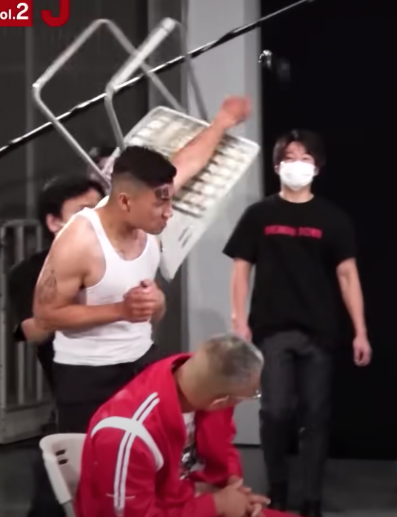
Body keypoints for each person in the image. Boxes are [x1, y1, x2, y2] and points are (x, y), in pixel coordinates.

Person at [32, 95, 251, 434]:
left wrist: (223, 120)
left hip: (143, 362)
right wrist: (121, 310)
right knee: (94, 462)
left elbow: (189, 161)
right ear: (125, 201)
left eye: (169, 200)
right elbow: (45, 315)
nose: (169, 212)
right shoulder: (79, 241)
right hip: (88, 374)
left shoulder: (149, 205)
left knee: (150, 455)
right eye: (160, 205)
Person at [224, 129, 372, 517]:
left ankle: (311, 500)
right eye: (290, 158)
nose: (297, 165)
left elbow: (348, 275)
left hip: (319, 331)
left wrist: (361, 331)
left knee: (316, 417)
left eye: (305, 159)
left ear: (317, 167)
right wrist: (239, 319)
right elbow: (241, 268)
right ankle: (278, 489)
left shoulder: (333, 218)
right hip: (272, 329)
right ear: (277, 166)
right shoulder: (259, 215)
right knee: (275, 412)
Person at [76, 333, 289, 517]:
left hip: (188, 499)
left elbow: (222, 446)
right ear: (220, 402)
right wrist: (217, 505)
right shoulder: (127, 436)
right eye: (252, 395)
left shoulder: (198, 379)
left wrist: (232, 485)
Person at [8, 175, 105, 395]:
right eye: (84, 212)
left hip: (132, 374)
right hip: (74, 384)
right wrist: (70, 303)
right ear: (54, 222)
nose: (97, 220)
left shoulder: (122, 257)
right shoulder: (28, 272)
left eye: (101, 211)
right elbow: (30, 332)